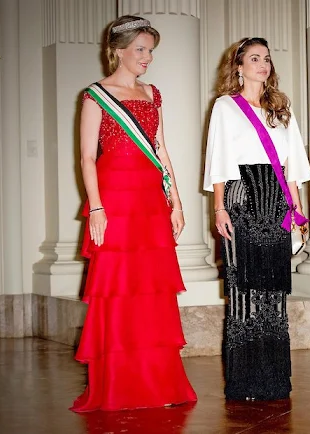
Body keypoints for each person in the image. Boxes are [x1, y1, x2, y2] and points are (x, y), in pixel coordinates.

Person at [72, 15, 197, 412]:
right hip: (114, 200)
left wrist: (175, 202)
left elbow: (162, 151)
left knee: (151, 289)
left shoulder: (152, 93)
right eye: (140, 49)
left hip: (148, 200)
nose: (147, 57)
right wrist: (95, 206)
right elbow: (88, 157)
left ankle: (157, 381)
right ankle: (119, 384)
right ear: (119, 50)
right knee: (118, 289)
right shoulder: (96, 95)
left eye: (151, 51)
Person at [203, 37, 310, 401]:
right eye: (254, 58)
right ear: (238, 66)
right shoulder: (224, 107)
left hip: (277, 200)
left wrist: (297, 210)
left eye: (266, 58)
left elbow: (293, 166)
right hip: (240, 198)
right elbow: (218, 160)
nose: (262, 64)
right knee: (244, 291)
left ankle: (274, 379)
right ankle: (244, 381)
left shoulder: (281, 108)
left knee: (274, 292)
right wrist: (218, 207)